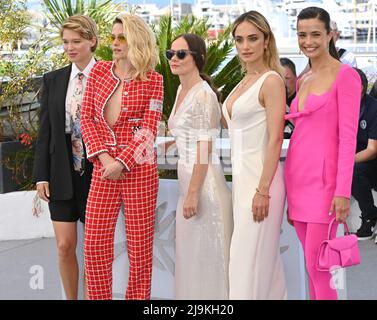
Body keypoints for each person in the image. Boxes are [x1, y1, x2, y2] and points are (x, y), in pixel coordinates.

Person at [81, 13, 163, 300]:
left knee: (140, 248)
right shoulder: (99, 72)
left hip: (139, 171)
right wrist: (105, 160)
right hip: (103, 169)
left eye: (122, 37)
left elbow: (149, 128)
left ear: (136, 40)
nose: (115, 43)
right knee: (94, 245)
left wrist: (123, 162)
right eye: (113, 37)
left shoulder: (154, 80)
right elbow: (87, 119)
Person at [284, 7, 361, 300]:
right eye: (302, 34)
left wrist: (342, 191)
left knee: (320, 268)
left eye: (316, 34)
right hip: (298, 180)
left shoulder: (346, 76)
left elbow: (348, 138)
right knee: (311, 265)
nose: (308, 41)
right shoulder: (303, 79)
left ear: (330, 34)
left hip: (325, 186)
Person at [222, 10, 287, 299]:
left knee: (245, 264)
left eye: (252, 38)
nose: (245, 46)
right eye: (239, 40)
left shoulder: (271, 81)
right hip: (243, 182)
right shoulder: (242, 82)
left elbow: (274, 139)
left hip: (263, 182)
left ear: (265, 41)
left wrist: (262, 191)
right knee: (264, 268)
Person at [32, 15, 98, 300]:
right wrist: (41, 176)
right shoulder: (54, 79)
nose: (70, 48)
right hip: (61, 173)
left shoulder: (108, 76)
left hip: (97, 175)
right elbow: (44, 132)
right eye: (66, 42)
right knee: (64, 246)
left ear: (92, 41)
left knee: (95, 250)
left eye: (76, 42)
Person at [164, 33, 233, 299]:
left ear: (197, 58)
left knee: (208, 258)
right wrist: (166, 145)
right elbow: (186, 133)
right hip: (189, 181)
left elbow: (204, 146)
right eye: (171, 54)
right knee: (192, 256)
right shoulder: (183, 89)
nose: (174, 59)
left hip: (204, 185)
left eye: (181, 54)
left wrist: (193, 193)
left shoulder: (204, 95)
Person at [352, 68, 377, 240]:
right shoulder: (339, 105)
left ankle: (370, 216)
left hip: (371, 160)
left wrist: (345, 161)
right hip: (350, 157)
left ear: (360, 87)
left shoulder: (373, 108)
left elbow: (372, 150)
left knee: (353, 170)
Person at [280, 57, 297, 138]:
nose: (283, 82)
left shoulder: (303, 100)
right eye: (279, 78)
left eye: (287, 78)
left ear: (296, 78)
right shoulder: (269, 103)